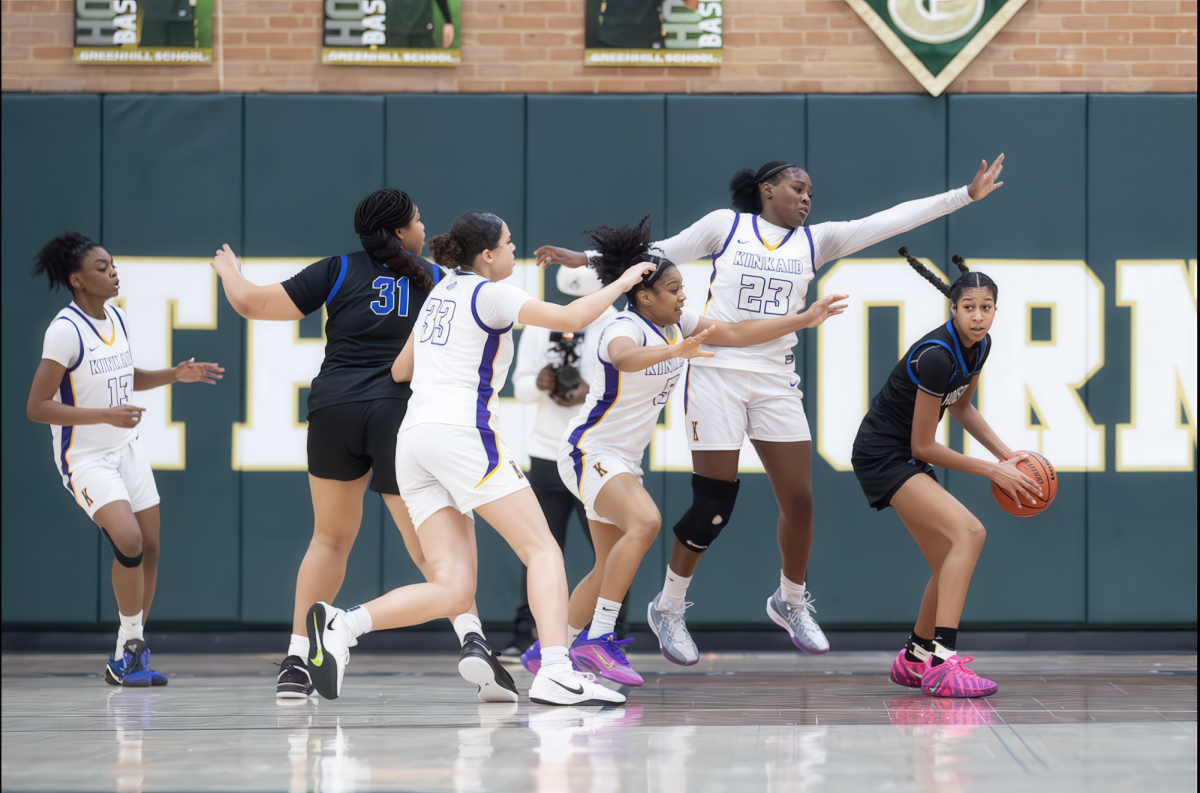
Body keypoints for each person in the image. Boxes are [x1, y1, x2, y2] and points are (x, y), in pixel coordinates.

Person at [535, 155, 1006, 665]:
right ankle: (669, 606)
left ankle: (790, 599)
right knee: (715, 501)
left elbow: (889, 220)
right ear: (766, 190)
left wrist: (964, 196)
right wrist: (583, 257)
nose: (806, 197)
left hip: (775, 377)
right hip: (715, 369)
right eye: (797, 188)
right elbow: (655, 254)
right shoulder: (726, 226)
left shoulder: (816, 241)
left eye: (811, 192)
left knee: (800, 499)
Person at [302, 211, 653, 706]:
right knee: (542, 550)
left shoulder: (440, 294)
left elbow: (402, 369)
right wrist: (622, 281)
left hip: (414, 443)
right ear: (487, 254)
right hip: (463, 436)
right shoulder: (489, 292)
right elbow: (572, 319)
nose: (514, 251)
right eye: (509, 244)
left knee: (452, 587)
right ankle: (555, 669)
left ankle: (342, 623)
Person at [210, 189, 510, 702]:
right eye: (417, 220)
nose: (423, 226)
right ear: (399, 232)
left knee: (328, 540)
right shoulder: (438, 280)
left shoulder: (337, 270)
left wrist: (228, 272)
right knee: (433, 553)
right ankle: (473, 640)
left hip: (333, 412)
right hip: (398, 414)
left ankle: (297, 662)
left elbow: (250, 303)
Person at [521, 217, 848, 686]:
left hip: (621, 460)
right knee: (647, 522)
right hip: (589, 451)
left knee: (604, 568)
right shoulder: (623, 326)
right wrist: (677, 354)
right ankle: (597, 641)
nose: (682, 296)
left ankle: (547, 651)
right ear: (643, 295)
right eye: (673, 288)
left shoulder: (680, 324)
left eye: (682, 288)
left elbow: (734, 334)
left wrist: (804, 318)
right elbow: (624, 359)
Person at [26, 231, 224, 686]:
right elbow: (37, 406)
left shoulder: (116, 317)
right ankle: (130, 650)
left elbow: (123, 374)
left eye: (112, 264)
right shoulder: (64, 330)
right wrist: (104, 415)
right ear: (77, 280)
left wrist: (173, 375)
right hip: (86, 456)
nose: (113, 272)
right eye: (101, 267)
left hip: (126, 449)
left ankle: (129, 650)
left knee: (150, 546)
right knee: (129, 541)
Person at [853, 248, 1040, 698]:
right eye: (969, 308)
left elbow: (960, 408)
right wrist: (994, 470)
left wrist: (1008, 454)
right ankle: (943, 660)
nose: (978, 316)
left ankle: (916, 657)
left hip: (905, 456)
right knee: (971, 533)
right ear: (952, 309)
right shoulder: (937, 355)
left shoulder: (980, 346)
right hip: (885, 455)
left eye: (986, 307)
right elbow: (923, 445)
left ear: (995, 309)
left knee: (946, 563)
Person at [504, 265, 623, 657]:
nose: (574, 308)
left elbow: (631, 387)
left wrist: (593, 392)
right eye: (568, 299)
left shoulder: (617, 324)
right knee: (539, 547)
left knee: (610, 549)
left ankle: (607, 632)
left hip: (596, 452)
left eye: (582, 299)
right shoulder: (544, 321)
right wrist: (540, 382)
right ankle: (530, 633)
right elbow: (520, 386)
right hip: (546, 453)